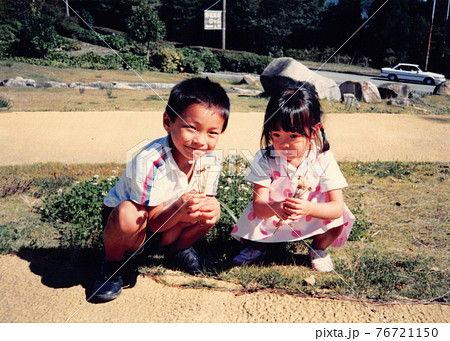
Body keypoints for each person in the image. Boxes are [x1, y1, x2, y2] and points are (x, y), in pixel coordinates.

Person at [91, 77, 230, 302]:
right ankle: (113, 265)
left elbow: (204, 202)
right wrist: (179, 209)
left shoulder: (209, 160)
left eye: (212, 133)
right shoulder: (150, 161)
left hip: (168, 222)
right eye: (191, 128)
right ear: (168, 122)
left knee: (210, 210)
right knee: (129, 213)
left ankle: (179, 253)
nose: (200, 141)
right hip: (133, 228)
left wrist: (209, 207)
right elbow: (153, 223)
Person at [231, 85, 355, 272]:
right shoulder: (265, 157)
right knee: (253, 219)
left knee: (340, 219)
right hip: (272, 215)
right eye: (276, 135)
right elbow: (258, 205)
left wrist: (309, 208)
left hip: (311, 215)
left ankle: (318, 248)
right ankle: (258, 247)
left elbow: (336, 208)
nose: (283, 143)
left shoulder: (323, 158)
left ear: (314, 131)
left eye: (293, 135)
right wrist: (277, 207)